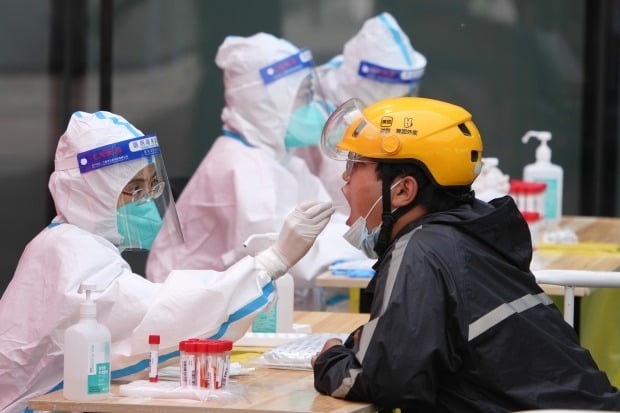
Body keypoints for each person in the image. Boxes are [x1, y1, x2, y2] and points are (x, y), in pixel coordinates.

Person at [0, 110, 333, 413]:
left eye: (152, 184)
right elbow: (155, 314)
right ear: (93, 193)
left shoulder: (78, 242)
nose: (148, 200)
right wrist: (271, 261)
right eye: (134, 188)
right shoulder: (68, 251)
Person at [311, 96, 620, 411]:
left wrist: (329, 361)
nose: (345, 178)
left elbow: (391, 382)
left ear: (403, 190)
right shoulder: (471, 233)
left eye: (356, 165)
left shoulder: (420, 250)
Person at [145, 33, 363, 308]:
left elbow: (329, 221)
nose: (315, 109)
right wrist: (361, 246)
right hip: (190, 312)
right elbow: (288, 256)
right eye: (303, 98)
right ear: (267, 102)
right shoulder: (240, 165)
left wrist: (361, 240)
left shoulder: (284, 161)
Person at [296, 11, 427, 213]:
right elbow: (339, 197)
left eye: (407, 89)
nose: (402, 96)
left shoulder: (374, 114)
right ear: (366, 79)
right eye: (393, 88)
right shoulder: (313, 117)